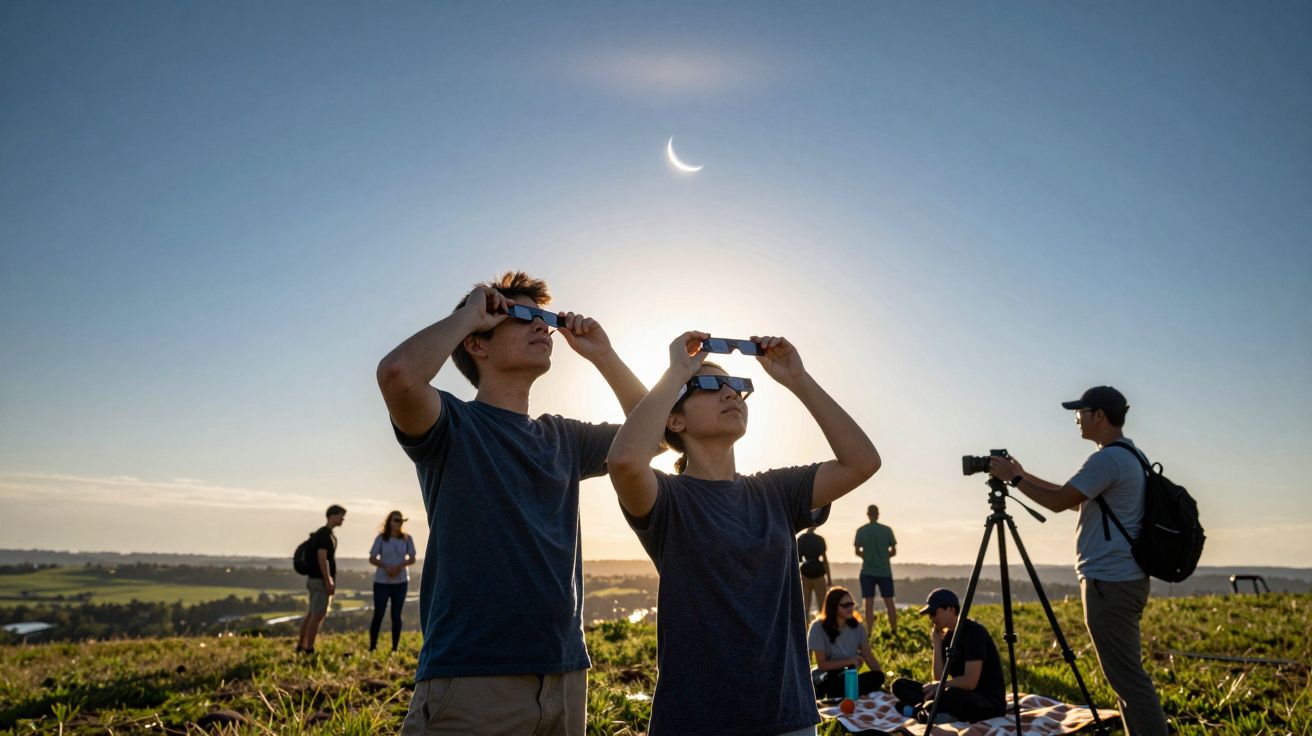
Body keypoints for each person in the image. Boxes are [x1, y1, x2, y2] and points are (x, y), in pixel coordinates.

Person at [376, 271, 645, 736]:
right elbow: (398, 375)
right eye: (522, 316)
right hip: (474, 677)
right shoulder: (452, 425)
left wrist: (604, 355)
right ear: (476, 343)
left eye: (545, 319)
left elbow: (658, 434)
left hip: (565, 674)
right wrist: (468, 315)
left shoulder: (564, 437)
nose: (542, 326)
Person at [607, 332, 881, 736]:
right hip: (696, 722)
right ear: (675, 419)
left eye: (736, 386)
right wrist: (677, 371)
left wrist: (798, 379)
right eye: (708, 384)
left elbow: (862, 462)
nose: (730, 393)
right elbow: (625, 462)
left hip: (787, 716)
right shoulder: (667, 499)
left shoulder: (776, 492)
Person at [988, 386, 1169, 735]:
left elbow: (1058, 503)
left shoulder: (1108, 459)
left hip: (1110, 581)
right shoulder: (1129, 455)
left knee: (1127, 679)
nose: (1076, 419)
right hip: (1122, 577)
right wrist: (1022, 475)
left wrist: (1015, 479)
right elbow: (1073, 499)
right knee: (1125, 676)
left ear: (1099, 415)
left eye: (1080, 412)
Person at [891, 588, 1006, 723]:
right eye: (929, 615)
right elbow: (939, 678)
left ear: (951, 609)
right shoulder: (947, 637)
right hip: (959, 695)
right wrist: (937, 644)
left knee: (949, 694)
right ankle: (931, 710)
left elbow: (970, 682)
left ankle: (921, 712)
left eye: (934, 613)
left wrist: (940, 687)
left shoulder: (974, 632)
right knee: (900, 685)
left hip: (986, 701)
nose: (931, 618)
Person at [808, 587, 886, 699]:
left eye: (851, 604)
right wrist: (850, 661)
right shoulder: (818, 627)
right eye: (845, 605)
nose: (850, 608)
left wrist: (880, 676)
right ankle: (847, 690)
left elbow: (868, 656)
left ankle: (848, 690)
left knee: (878, 677)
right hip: (828, 675)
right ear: (833, 607)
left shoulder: (857, 627)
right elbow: (822, 665)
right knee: (838, 683)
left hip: (849, 674)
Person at [296, 504, 344, 654]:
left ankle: (302, 645)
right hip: (319, 581)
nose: (343, 519)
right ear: (332, 516)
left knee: (312, 613)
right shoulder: (324, 535)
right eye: (341, 516)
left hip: (314, 579)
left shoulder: (324, 534)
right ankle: (308, 648)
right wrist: (328, 580)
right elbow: (322, 558)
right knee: (318, 614)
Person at [368, 510, 417, 653]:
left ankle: (395, 648)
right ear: (389, 522)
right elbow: (372, 558)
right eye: (396, 520)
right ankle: (372, 647)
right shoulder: (381, 538)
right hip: (382, 582)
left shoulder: (407, 539)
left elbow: (412, 558)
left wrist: (398, 567)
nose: (398, 523)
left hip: (400, 582)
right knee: (379, 613)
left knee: (396, 615)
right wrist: (386, 567)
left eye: (400, 520)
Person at [853, 504, 898, 634]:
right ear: (878, 515)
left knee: (868, 603)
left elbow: (857, 551)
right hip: (884, 571)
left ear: (868, 515)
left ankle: (869, 632)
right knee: (889, 602)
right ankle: (894, 630)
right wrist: (884, 556)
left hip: (867, 571)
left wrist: (867, 556)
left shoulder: (861, 530)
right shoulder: (887, 530)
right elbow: (893, 551)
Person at [797, 525, 831, 617]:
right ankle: (823, 622)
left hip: (805, 574)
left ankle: (805, 624)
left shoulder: (801, 539)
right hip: (819, 574)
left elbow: (798, 559)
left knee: (805, 604)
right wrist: (829, 578)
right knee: (822, 604)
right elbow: (825, 560)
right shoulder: (819, 539)